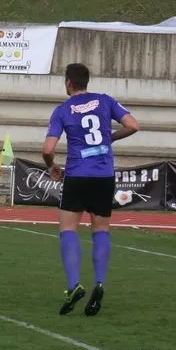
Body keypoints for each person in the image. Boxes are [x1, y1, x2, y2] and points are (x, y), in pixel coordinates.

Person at [42, 63, 139, 317]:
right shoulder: (105, 101)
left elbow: (48, 149)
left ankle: (74, 285)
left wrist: (52, 166)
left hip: (77, 174)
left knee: (67, 229)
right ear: (87, 81)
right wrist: (111, 137)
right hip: (104, 175)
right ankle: (99, 282)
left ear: (68, 83)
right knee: (101, 230)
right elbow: (133, 125)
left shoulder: (62, 110)